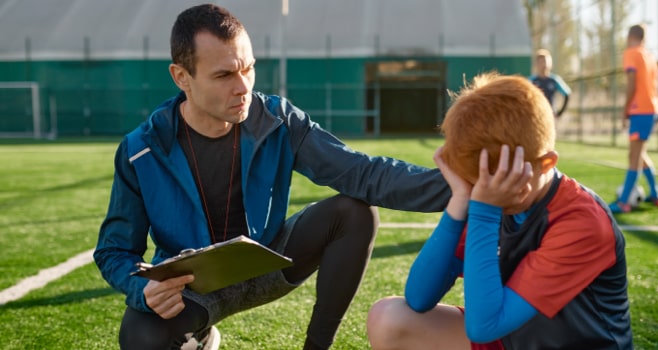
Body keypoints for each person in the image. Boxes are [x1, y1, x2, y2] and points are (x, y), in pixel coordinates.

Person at [93, 4, 451, 350]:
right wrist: (142, 291)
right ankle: (198, 336)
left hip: (269, 261)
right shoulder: (141, 149)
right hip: (194, 285)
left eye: (248, 69)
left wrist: (463, 186)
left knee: (355, 212)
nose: (242, 87)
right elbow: (114, 250)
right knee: (139, 338)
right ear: (181, 77)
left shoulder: (278, 120)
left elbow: (364, 174)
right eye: (224, 75)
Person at [366, 73, 633, 349]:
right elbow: (419, 296)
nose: (493, 188)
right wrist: (460, 201)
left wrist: (485, 209)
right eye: (478, 181)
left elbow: (483, 327)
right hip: (513, 341)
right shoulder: (488, 192)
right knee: (388, 318)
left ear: (546, 163)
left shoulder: (582, 222)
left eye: (507, 176)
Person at [608, 24, 658, 213]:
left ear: (629, 36)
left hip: (640, 110)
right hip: (653, 109)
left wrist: (625, 110)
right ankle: (656, 194)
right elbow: (656, 86)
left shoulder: (631, 53)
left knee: (633, 156)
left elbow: (632, 85)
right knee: (640, 153)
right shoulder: (649, 56)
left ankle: (624, 201)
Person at [529, 49, 571, 118]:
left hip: (550, 116)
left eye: (545, 61)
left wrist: (559, 113)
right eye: (540, 61)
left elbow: (567, 94)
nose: (543, 64)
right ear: (536, 64)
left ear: (550, 63)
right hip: (535, 116)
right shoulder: (531, 81)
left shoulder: (554, 80)